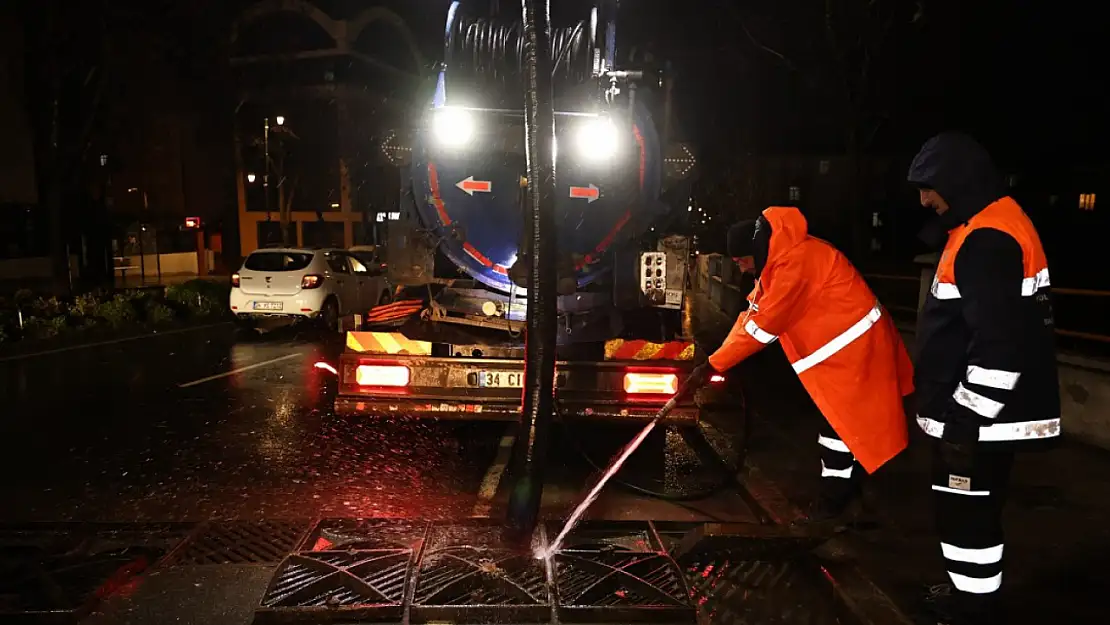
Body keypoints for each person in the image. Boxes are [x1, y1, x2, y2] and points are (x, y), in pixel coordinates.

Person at [908, 132, 1060, 625]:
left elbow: (998, 343)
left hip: (978, 423)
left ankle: (971, 608)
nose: (924, 198)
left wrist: (964, 420)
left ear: (956, 181)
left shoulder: (986, 239)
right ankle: (970, 595)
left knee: (966, 519)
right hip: (984, 419)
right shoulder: (989, 226)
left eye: (929, 186)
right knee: (972, 516)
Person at [689, 206, 914, 523]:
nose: (740, 271)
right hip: (847, 357)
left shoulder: (796, 265)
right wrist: (713, 363)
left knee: (844, 429)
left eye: (740, 262)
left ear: (753, 250)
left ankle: (836, 504)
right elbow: (750, 319)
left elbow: (763, 327)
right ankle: (851, 499)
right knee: (844, 429)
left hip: (858, 354)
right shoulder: (782, 262)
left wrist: (713, 366)